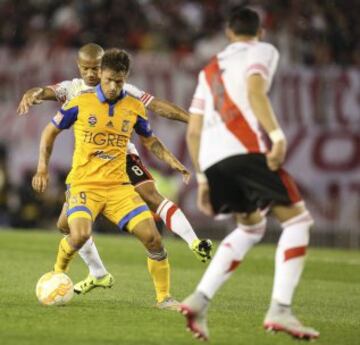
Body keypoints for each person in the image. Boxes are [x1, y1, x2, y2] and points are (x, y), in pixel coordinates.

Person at [18, 43, 213, 295]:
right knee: (67, 227)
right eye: (87, 69)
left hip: (122, 160)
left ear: (104, 69)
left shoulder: (128, 93)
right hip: (87, 168)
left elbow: (160, 108)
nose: (92, 74)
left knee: (151, 200)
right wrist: (30, 93)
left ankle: (189, 246)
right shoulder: (73, 90)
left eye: (96, 68)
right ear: (81, 68)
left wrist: (192, 121)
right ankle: (96, 272)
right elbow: (44, 92)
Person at [180, 7, 319, 341]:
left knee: (252, 226)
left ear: (229, 33)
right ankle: (280, 309)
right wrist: (278, 136)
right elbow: (255, 89)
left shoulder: (208, 69)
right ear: (261, 32)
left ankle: (199, 299)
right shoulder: (263, 51)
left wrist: (202, 179)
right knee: (298, 222)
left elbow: (193, 130)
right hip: (245, 151)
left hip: (213, 161)